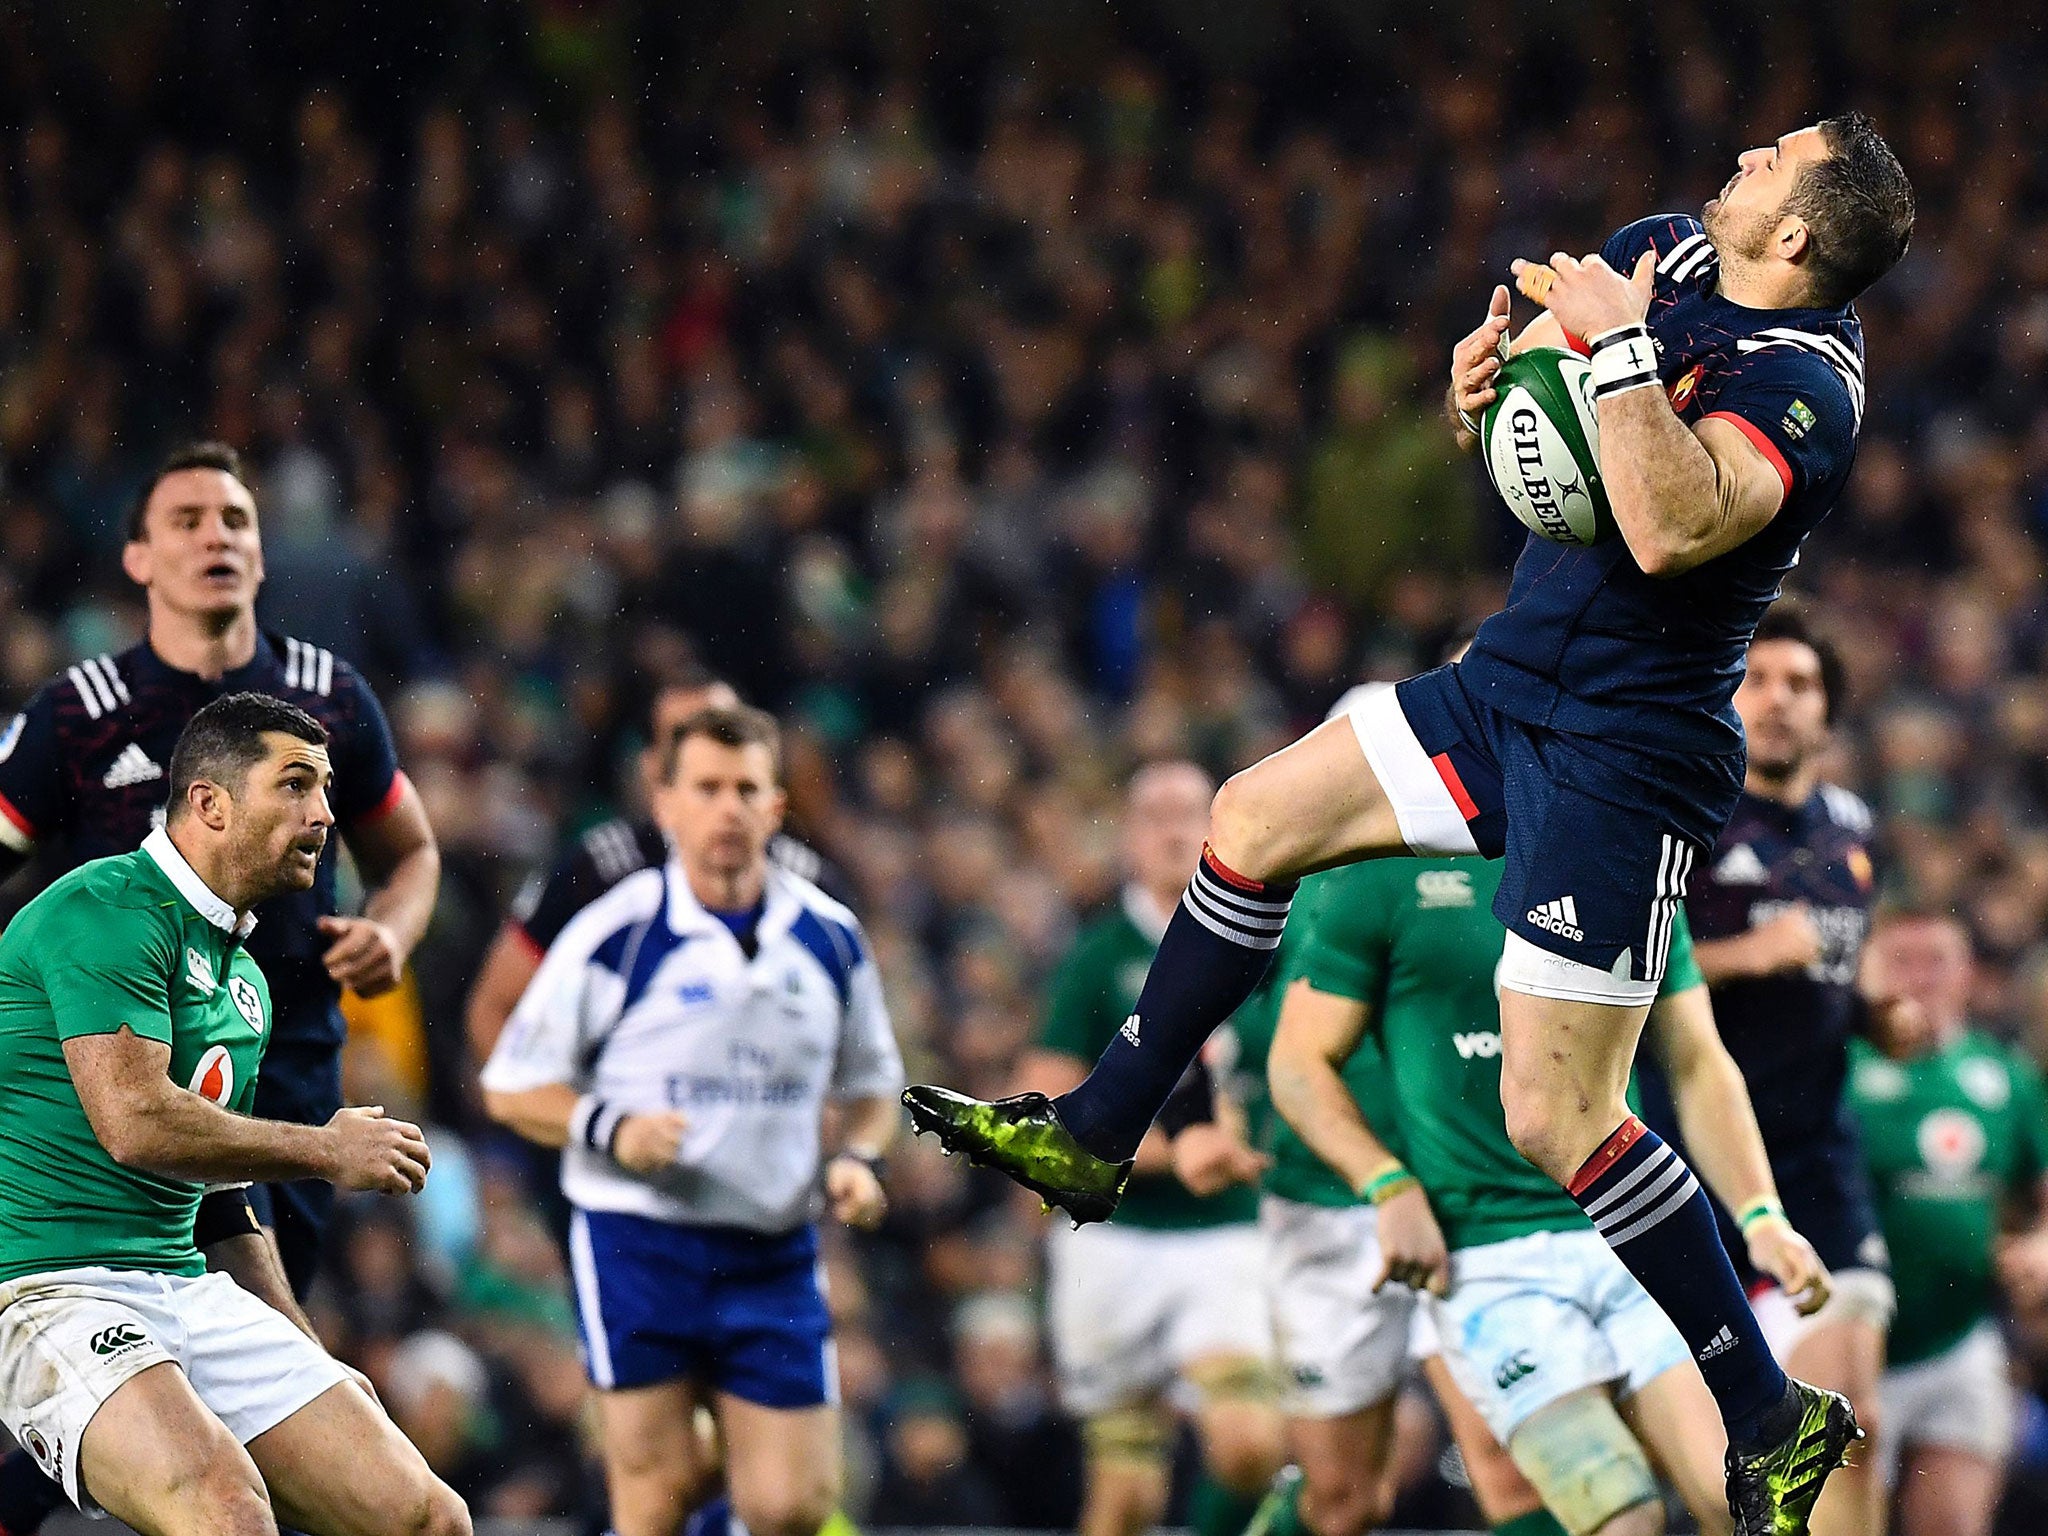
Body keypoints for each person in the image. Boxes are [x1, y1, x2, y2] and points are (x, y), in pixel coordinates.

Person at [905, 114, 1916, 1534]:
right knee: (1253, 814)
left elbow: (1671, 525)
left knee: (1557, 1113)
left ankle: (1768, 1412)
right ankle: (1097, 1128)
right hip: (1511, 680)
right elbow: (1550, 427)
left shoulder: (1809, 385)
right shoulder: (1667, 253)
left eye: (1776, 160)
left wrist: (1617, 359)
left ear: (1801, 233)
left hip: (1628, 751)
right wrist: (1491, 398)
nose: (1744, 155)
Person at [0, 441, 439, 1536]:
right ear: (202, 803)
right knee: (220, 1503)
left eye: (237, 519)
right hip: (57, 1272)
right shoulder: (96, 865)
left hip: (239, 1145)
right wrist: (328, 1144)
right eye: (297, 789)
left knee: (418, 1513)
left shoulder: (244, 976)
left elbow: (219, 1191)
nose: (324, 817)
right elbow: (142, 1125)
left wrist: (304, 1354)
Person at [1269, 852, 1829, 1536]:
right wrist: (1388, 1185)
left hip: (1632, 1232)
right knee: (1619, 1517)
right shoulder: (1385, 874)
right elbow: (1298, 1062)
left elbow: (1696, 1059)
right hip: (1488, 1258)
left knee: (1744, 1498)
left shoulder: (1630, 860)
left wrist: (1761, 1214)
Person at [480, 705, 904, 1536]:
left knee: (791, 1507)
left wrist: (859, 1156)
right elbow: (510, 1083)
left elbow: (874, 1082)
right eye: (707, 787)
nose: (729, 808)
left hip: (774, 1247)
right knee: (652, 1500)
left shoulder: (829, 937)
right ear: (665, 804)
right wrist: (610, 1128)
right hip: (641, 1242)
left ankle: (729, 1452)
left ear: (777, 807)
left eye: (747, 789)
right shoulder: (618, 932)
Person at [1673, 602, 1911, 1536]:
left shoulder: (1852, 828)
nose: (1776, 701)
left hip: (1817, 1163)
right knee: (1729, 1471)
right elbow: (1625, 982)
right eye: (1757, 679)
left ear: (1829, 710)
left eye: (1800, 685)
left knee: (1851, 1426)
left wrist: (1879, 1018)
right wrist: (1744, 957)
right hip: (1698, 1166)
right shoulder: (1686, 815)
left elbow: (1835, 976)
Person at [1016, 762, 1284, 1536]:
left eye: (1187, 812)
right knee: (1125, 1493)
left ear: (1216, 825)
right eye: (1153, 815)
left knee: (1249, 1447)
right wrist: (1177, 1152)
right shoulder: (1097, 956)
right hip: (1116, 1237)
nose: (1172, 831)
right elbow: (1046, 1104)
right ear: (1128, 839)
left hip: (1227, 1230)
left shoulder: (1271, 941)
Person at [464, 667, 841, 1066]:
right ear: (654, 770)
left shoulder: (808, 886)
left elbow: (859, 1050)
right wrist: (574, 1120)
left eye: (727, 737)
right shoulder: (593, 877)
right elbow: (493, 1008)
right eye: (689, 743)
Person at [1849, 908, 2048, 1536]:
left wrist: (2041, 1245)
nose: (1919, 978)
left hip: (1960, 1335)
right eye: (1901, 961)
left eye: (1936, 961)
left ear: (1967, 973)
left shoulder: (2006, 1077)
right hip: (1851, 1342)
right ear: (1869, 970)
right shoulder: (1836, 1068)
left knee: (1956, 1525)